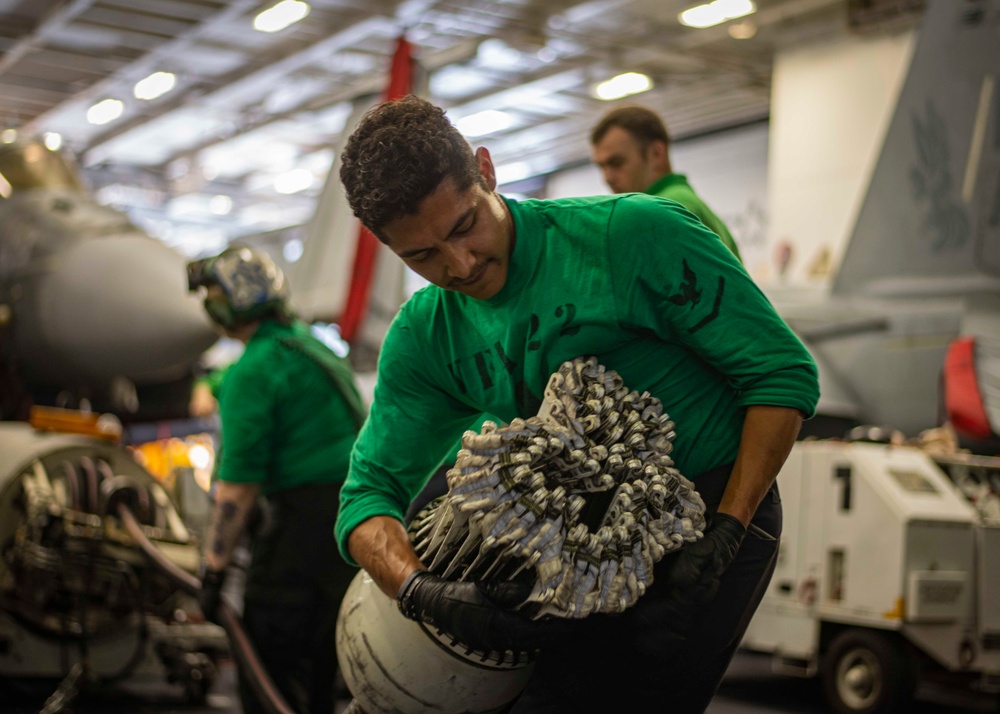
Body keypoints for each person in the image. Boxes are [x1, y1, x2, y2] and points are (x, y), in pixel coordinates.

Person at [335, 95, 818, 712]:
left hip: (711, 511)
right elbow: (365, 497)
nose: (459, 264)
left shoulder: (635, 234)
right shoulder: (424, 337)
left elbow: (781, 376)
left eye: (464, 226)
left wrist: (727, 530)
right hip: (569, 540)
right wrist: (417, 590)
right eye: (422, 256)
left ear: (486, 170)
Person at [187, 246, 364, 714]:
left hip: (297, 537)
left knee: (272, 666)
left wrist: (215, 567)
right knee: (322, 668)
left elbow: (239, 490)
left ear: (228, 304)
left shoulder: (254, 370)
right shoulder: (310, 347)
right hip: (350, 525)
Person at [590, 104, 743, 261]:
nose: (607, 178)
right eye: (601, 167)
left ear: (656, 154)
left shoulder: (665, 208)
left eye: (616, 163)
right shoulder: (686, 203)